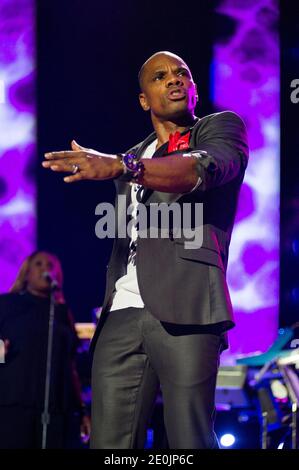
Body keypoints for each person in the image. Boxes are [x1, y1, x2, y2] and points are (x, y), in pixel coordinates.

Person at [42, 51, 249, 449]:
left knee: (189, 439)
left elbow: (197, 171)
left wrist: (124, 166)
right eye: (159, 76)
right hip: (121, 310)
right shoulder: (135, 153)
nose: (174, 80)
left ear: (193, 88)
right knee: (110, 444)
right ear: (143, 99)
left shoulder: (220, 129)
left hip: (188, 304)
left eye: (182, 73)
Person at [0, 251, 91, 448]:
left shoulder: (61, 312)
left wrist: (81, 410)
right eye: (38, 264)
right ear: (26, 273)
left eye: (50, 265)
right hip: (14, 404)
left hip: (56, 407)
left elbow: (70, 365)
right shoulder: (7, 304)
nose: (45, 269)